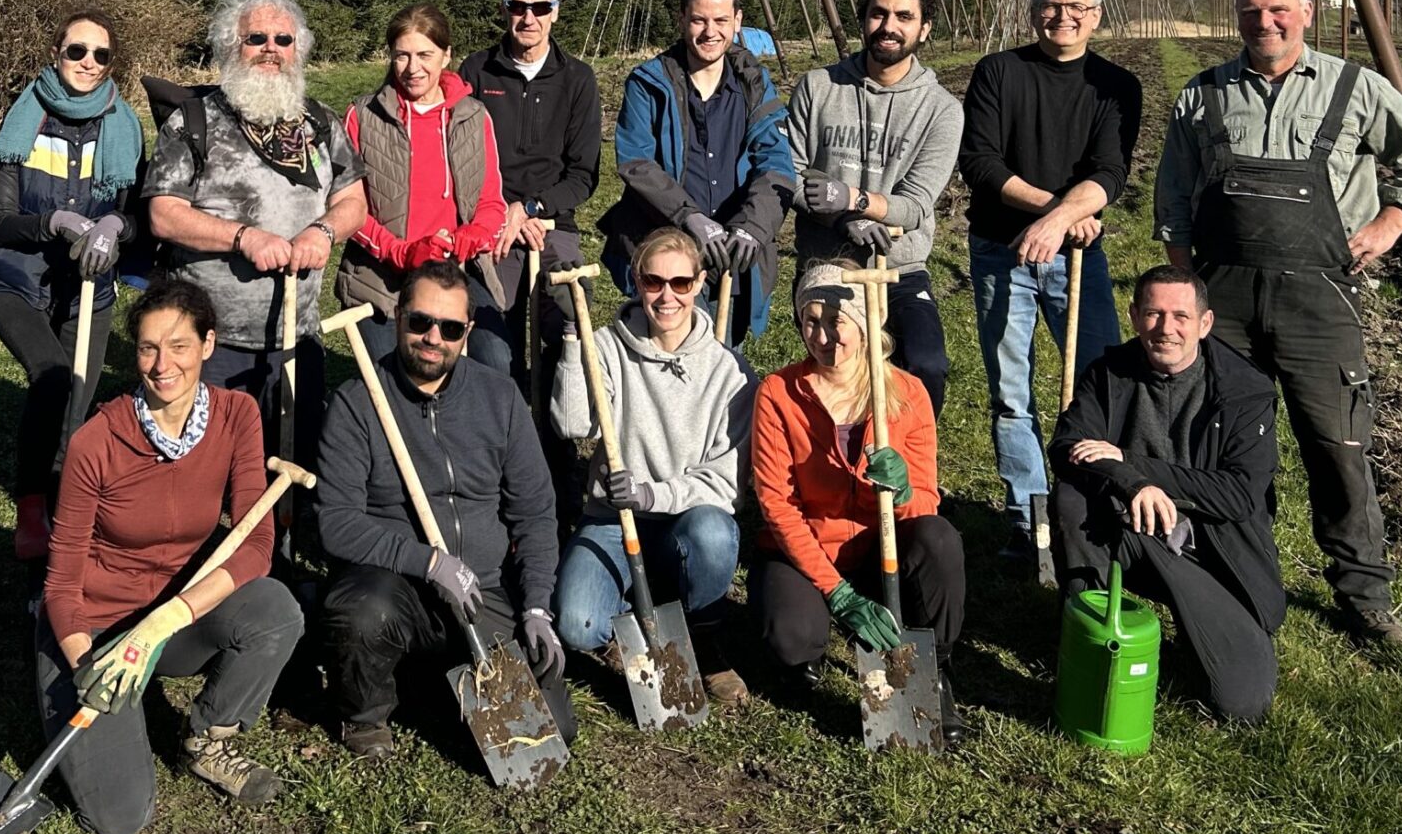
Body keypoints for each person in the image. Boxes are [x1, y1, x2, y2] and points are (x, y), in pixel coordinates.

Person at [1156, 0, 1402, 647]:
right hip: (1224, 297)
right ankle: (1231, 568)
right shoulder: (1202, 97)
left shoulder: (1357, 88)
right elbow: (1173, 195)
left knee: (1337, 444)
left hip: (1320, 298)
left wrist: (1388, 225)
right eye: (1251, 13)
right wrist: (1185, 281)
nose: (1265, 23)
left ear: (1307, 13)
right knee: (1224, 440)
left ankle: (1363, 592)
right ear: (1235, 20)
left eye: (1278, 11)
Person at [37, 279, 305, 834]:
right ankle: (68, 691)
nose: (162, 365)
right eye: (148, 348)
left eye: (179, 345)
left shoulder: (238, 416)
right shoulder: (97, 442)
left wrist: (168, 618)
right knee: (120, 818)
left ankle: (208, 737)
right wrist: (86, 662)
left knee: (275, 610)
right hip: (98, 626)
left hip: (176, 622)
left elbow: (255, 544)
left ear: (208, 345)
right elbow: (61, 582)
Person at [317, 261, 572, 759]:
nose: (433, 337)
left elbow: (536, 511)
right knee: (363, 614)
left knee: (551, 731)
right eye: (420, 322)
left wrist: (537, 605)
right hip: (396, 582)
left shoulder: (499, 398)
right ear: (398, 317)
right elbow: (336, 522)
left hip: (485, 588)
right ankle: (366, 713)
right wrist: (429, 563)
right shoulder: (356, 402)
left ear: (468, 333)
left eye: (450, 328)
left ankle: (431, 682)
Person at [142, 0, 367, 504]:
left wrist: (324, 231)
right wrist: (242, 237)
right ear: (230, 47)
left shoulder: (320, 123)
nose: (271, 49)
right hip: (211, 343)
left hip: (297, 336)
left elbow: (353, 198)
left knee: (290, 471)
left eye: (283, 39)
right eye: (256, 38)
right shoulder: (194, 122)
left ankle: (280, 565)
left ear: (299, 49)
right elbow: (163, 213)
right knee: (205, 478)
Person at [958, 0, 1143, 564]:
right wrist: (1056, 213)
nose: (1063, 16)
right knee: (1012, 391)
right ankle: (1028, 517)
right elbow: (981, 164)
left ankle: (1088, 510)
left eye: (1077, 7)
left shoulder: (1116, 84)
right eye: (1051, 5)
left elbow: (1109, 171)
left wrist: (1061, 223)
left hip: (1080, 259)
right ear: (1033, 10)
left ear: (1096, 15)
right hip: (1000, 252)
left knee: (1096, 384)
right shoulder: (999, 72)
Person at [1050, 267, 1283, 721]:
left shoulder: (1245, 390)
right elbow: (1065, 447)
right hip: (1131, 529)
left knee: (1241, 705)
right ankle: (1088, 635)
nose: (1166, 328)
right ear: (1135, 316)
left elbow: (1239, 494)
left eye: (1180, 315)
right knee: (1071, 497)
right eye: (1153, 314)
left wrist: (1132, 462)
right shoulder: (1108, 372)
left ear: (1205, 323)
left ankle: (1207, 631)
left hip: (1214, 556)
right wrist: (1132, 483)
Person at [750, 264, 964, 738]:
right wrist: (836, 591)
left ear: (865, 325)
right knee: (793, 641)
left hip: (879, 549)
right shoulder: (779, 393)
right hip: (809, 550)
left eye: (836, 321)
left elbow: (925, 501)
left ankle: (936, 666)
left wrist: (905, 490)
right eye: (811, 320)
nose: (824, 337)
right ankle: (821, 627)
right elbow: (778, 506)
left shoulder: (907, 394)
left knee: (940, 540)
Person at [548, 228, 753, 704]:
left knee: (715, 535)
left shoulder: (729, 371)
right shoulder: (605, 347)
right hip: (615, 519)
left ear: (699, 282)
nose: (667, 296)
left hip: (689, 516)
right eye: (653, 281)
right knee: (578, 625)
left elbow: (726, 486)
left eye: (680, 283)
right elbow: (573, 425)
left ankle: (703, 633)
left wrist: (652, 494)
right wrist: (572, 339)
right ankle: (635, 617)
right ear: (635, 281)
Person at [0, 6, 149, 561]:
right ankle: (31, 507)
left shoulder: (124, 126)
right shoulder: (24, 120)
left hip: (88, 287)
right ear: (56, 54)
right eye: (77, 51)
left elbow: (139, 215)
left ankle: (63, 506)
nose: (89, 63)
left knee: (77, 404)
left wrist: (116, 226)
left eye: (101, 54)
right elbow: (0, 224)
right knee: (52, 379)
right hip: (15, 279)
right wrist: (53, 223)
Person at [787, 0, 962, 402]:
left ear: (924, 29)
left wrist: (853, 199)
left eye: (904, 17)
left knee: (926, 366)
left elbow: (914, 205)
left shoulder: (941, 110)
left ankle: (908, 462)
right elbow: (787, 171)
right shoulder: (818, 87)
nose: (889, 27)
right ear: (863, 19)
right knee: (839, 370)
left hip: (899, 267)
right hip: (827, 262)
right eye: (879, 14)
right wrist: (841, 218)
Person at [600, 0, 796, 343]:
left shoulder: (754, 85)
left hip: (735, 255)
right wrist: (689, 218)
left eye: (721, 20)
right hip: (669, 252)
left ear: (737, 21)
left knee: (726, 361)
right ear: (681, 19)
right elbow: (636, 163)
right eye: (699, 20)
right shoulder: (649, 84)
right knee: (674, 355)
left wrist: (752, 228)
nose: (710, 32)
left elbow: (776, 164)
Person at [338, 4, 514, 374]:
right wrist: (400, 252)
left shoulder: (473, 116)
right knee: (395, 373)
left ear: (447, 55)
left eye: (425, 55)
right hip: (381, 277)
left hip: (457, 270)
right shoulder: (362, 117)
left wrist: (472, 237)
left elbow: (491, 202)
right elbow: (346, 207)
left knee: (495, 359)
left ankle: (470, 429)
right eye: (402, 55)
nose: (413, 68)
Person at [458, 0, 601, 394]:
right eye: (519, 6)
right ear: (505, 10)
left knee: (569, 331)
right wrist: (500, 212)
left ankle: (556, 445)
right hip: (491, 223)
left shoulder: (578, 79)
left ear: (555, 11)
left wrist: (533, 207)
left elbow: (583, 175)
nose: (529, 18)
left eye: (540, 7)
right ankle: (504, 437)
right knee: (494, 351)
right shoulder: (476, 72)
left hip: (550, 223)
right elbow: (461, 160)